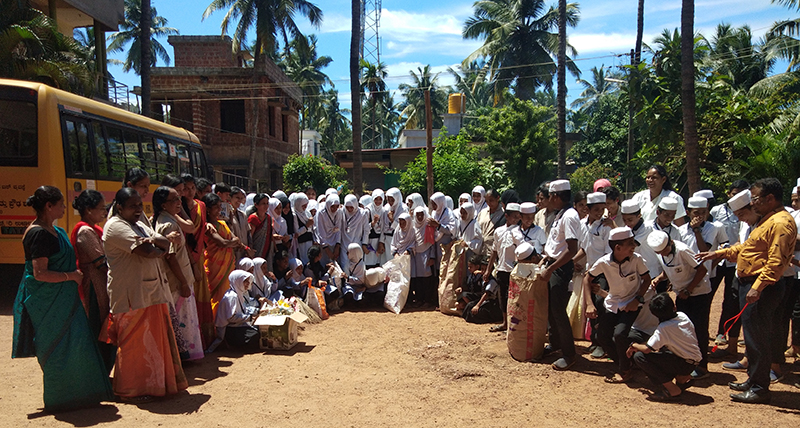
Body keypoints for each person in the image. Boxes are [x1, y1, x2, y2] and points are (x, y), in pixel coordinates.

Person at [13, 186, 114, 411]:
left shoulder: (54, 230)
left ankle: (80, 393)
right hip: (48, 301)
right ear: (49, 206)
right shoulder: (38, 233)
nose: (65, 208)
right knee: (56, 347)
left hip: (65, 298)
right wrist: (71, 276)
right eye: (61, 204)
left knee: (76, 345)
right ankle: (61, 399)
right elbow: (39, 273)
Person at [698, 178, 796, 404]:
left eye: (755, 199)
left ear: (769, 199)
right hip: (751, 284)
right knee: (752, 337)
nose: (753, 204)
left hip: (762, 287)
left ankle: (760, 388)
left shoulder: (780, 223)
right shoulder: (767, 220)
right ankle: (753, 379)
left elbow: (776, 262)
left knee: (758, 338)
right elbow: (749, 248)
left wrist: (757, 287)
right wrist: (719, 254)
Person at [104, 187, 187, 402]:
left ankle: (156, 386)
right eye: (133, 206)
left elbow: (164, 244)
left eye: (140, 205)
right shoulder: (115, 226)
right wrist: (155, 245)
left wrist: (155, 244)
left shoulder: (139, 224)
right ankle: (129, 390)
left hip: (152, 292)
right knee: (133, 345)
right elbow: (148, 251)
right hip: (131, 296)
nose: (138, 209)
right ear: (119, 207)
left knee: (154, 344)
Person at [584, 226, 651, 383]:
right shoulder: (604, 262)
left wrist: (638, 299)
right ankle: (625, 362)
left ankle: (625, 370)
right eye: (630, 244)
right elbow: (588, 279)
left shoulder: (637, 260)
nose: (634, 247)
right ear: (618, 247)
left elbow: (647, 279)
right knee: (602, 336)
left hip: (632, 303)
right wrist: (589, 304)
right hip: (613, 303)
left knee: (620, 334)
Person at [647, 230, 712, 380]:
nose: (662, 254)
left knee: (699, 328)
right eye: (659, 252)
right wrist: (659, 278)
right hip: (681, 294)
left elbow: (702, 270)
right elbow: (667, 269)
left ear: (670, 242)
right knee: (680, 328)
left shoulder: (683, 250)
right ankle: (684, 362)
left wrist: (689, 290)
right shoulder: (661, 252)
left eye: (664, 251)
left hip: (698, 294)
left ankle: (702, 366)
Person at [153, 186, 204, 362]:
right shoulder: (168, 224)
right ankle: (181, 356)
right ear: (163, 204)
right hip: (176, 280)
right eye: (174, 200)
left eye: (178, 199)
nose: (178, 203)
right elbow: (170, 256)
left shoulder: (173, 219)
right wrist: (182, 282)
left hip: (182, 276)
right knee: (181, 319)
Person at [70, 189, 116, 373]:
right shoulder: (85, 232)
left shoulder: (92, 229)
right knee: (99, 329)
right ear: (89, 210)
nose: (104, 212)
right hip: (94, 286)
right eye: (101, 208)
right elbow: (101, 262)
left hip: (100, 284)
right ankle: (98, 374)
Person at [629, 293, 702, 402]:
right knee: (663, 349)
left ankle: (672, 389)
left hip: (683, 363)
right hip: (693, 361)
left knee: (640, 356)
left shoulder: (663, 328)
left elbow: (647, 349)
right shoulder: (682, 316)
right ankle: (682, 379)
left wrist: (633, 345)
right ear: (674, 307)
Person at [541, 180, 581, 370]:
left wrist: (551, 268)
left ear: (556, 197)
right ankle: (556, 343)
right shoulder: (560, 214)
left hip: (560, 268)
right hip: (552, 263)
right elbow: (556, 245)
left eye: (550, 196)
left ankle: (569, 354)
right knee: (551, 309)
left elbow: (572, 249)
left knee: (558, 311)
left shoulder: (570, 216)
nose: (548, 200)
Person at [710, 180, 749, 349]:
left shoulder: (745, 215)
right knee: (708, 293)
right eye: (734, 194)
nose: (737, 197)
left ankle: (722, 333)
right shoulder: (716, 211)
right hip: (717, 260)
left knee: (730, 299)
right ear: (728, 194)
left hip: (735, 262)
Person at [181, 174, 214, 348]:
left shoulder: (201, 206)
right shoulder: (177, 208)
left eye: (192, 188)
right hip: (183, 259)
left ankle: (204, 339)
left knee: (202, 295)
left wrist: (207, 225)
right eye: (185, 188)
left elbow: (202, 226)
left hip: (199, 257)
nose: (189, 191)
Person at [485, 203, 522, 333]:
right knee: (503, 297)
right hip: (502, 269)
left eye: (519, 217)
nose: (517, 219)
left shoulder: (519, 232)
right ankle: (505, 322)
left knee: (515, 299)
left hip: (515, 271)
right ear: (506, 216)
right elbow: (494, 251)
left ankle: (514, 324)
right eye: (514, 217)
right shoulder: (498, 231)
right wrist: (488, 269)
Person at [203, 193, 242, 318]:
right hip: (215, 264)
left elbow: (235, 239)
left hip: (227, 264)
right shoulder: (208, 227)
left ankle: (226, 322)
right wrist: (231, 243)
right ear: (208, 209)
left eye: (220, 206)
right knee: (216, 295)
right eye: (216, 207)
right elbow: (223, 243)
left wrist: (231, 242)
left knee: (227, 293)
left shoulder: (222, 223)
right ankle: (215, 324)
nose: (219, 210)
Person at [207, 270, 260, 352]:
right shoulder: (232, 297)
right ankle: (231, 344)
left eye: (247, 281)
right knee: (256, 335)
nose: (247, 284)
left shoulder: (238, 294)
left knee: (257, 329)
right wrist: (249, 318)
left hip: (235, 326)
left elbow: (244, 308)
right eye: (245, 281)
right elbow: (231, 318)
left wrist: (257, 311)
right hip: (228, 329)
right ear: (237, 281)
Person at [411, 206, 436, 306]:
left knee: (426, 279)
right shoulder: (413, 226)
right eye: (418, 215)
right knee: (418, 279)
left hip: (426, 253)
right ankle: (419, 299)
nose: (420, 217)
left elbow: (432, 243)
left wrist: (432, 257)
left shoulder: (428, 226)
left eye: (422, 214)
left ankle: (427, 300)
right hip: (416, 254)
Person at [342, 194, 371, 264]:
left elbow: (366, 230)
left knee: (357, 266)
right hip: (344, 245)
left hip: (357, 244)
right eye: (347, 207)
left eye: (351, 207)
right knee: (345, 266)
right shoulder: (342, 211)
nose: (349, 209)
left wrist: (364, 243)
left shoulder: (362, 213)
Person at [316, 193, 344, 266]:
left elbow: (338, 229)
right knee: (325, 265)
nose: (334, 209)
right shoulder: (321, 213)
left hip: (335, 244)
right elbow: (321, 232)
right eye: (332, 206)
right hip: (324, 245)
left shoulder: (339, 212)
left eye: (337, 206)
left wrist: (337, 246)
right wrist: (327, 250)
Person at [476, 188, 504, 259]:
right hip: (480, 249)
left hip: (493, 251)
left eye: (491, 200)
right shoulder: (482, 212)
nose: (489, 203)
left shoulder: (503, 213)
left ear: (497, 198)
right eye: (487, 201)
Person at [229, 186, 252, 260]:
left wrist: (249, 248)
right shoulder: (227, 215)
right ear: (230, 198)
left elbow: (248, 232)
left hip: (245, 252)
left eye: (241, 198)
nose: (239, 201)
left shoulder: (242, 215)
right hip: (233, 252)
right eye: (237, 198)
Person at [248, 193, 273, 261]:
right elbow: (250, 237)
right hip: (256, 250)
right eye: (263, 203)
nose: (266, 206)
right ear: (256, 205)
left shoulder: (268, 218)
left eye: (267, 203)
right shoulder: (253, 218)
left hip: (266, 250)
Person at [365, 190, 386, 267]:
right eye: (376, 199)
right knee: (368, 264)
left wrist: (381, 243)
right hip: (369, 241)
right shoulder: (368, 210)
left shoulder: (383, 210)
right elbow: (364, 228)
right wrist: (373, 223)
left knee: (377, 265)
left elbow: (383, 228)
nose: (378, 201)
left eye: (380, 199)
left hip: (378, 242)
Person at [293, 193, 314, 264]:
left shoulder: (307, 213)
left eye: (306, 205)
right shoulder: (295, 215)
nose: (305, 207)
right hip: (301, 242)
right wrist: (306, 225)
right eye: (303, 205)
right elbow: (297, 232)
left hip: (309, 241)